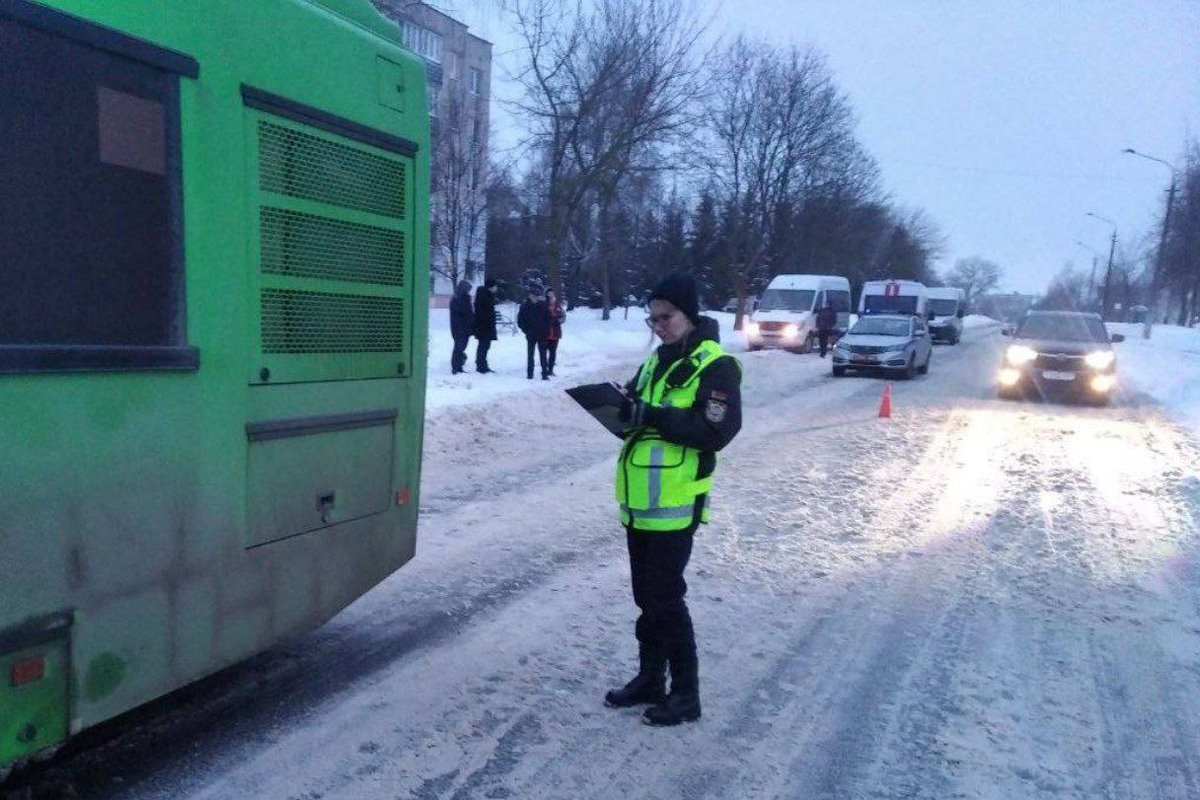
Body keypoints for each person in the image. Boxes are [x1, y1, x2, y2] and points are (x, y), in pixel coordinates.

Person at [605, 272, 742, 727]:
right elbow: (641, 410)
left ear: (689, 313)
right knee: (646, 596)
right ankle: (651, 679)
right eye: (652, 318)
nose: (658, 325)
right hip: (640, 503)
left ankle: (686, 694)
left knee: (666, 599)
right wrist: (621, 405)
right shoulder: (654, 362)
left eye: (666, 317)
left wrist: (654, 416)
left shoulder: (715, 365)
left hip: (676, 505)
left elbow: (715, 430)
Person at [516, 282, 551, 380]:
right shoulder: (524, 306)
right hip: (530, 334)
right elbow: (520, 321)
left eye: (536, 296)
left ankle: (544, 374)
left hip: (542, 334)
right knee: (530, 355)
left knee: (543, 355)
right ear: (530, 296)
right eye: (533, 296)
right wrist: (526, 330)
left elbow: (548, 318)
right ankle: (530, 374)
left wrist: (546, 328)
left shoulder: (543, 305)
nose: (535, 298)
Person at [474, 276, 499, 373]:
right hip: (484, 327)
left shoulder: (485, 294)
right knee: (483, 346)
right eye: (495, 286)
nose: (496, 288)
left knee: (484, 346)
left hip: (484, 326)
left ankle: (482, 364)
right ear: (491, 286)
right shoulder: (485, 296)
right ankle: (481, 366)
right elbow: (483, 312)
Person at [449, 280, 474, 374]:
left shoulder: (463, 299)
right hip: (459, 328)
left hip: (464, 328)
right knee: (458, 348)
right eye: (467, 290)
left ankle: (459, 366)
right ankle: (456, 367)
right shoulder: (457, 300)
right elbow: (464, 312)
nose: (469, 292)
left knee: (461, 347)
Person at [545, 288, 565, 376]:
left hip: (555, 332)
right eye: (549, 294)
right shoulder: (544, 305)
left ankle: (550, 369)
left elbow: (563, 316)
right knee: (544, 352)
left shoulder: (558, 305)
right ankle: (544, 368)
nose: (551, 295)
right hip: (545, 332)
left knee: (553, 352)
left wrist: (558, 321)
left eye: (552, 293)